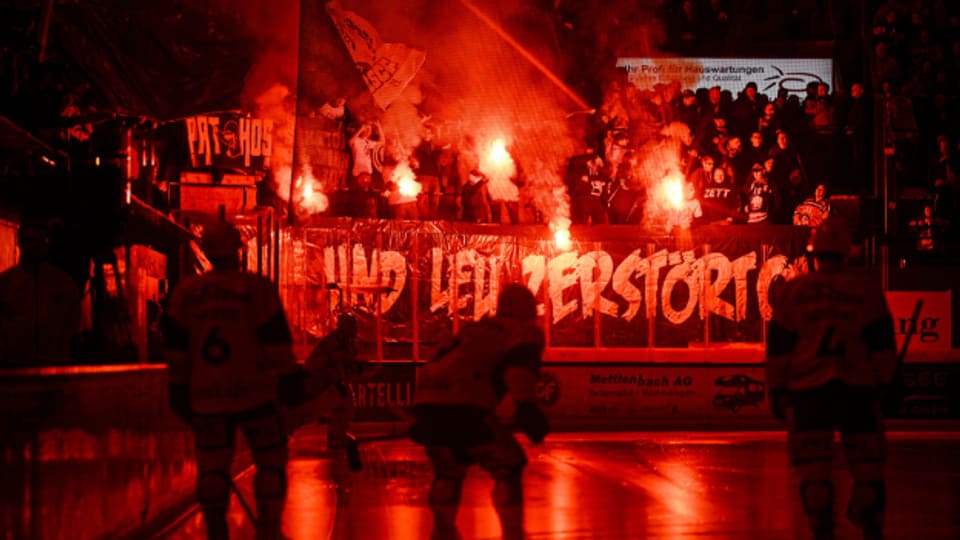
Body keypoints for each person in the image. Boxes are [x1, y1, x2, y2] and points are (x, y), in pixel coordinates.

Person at [162, 218, 303, 540]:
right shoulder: (256, 288)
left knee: (212, 468)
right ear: (238, 250)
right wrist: (290, 381)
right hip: (256, 393)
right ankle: (268, 526)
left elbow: (175, 348)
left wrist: (179, 389)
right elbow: (276, 343)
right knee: (270, 460)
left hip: (207, 395)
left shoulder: (186, 292)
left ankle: (215, 529)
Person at [766, 218, 899, 540]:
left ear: (814, 254)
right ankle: (870, 528)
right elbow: (881, 345)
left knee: (814, 477)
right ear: (847, 252)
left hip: (809, 392)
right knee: (868, 474)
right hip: (857, 390)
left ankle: (823, 532)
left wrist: (777, 391)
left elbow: (779, 350)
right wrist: (889, 383)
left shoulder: (793, 292)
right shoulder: (865, 289)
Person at [410, 284, 549, 540]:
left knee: (448, 470)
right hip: (465, 406)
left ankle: (442, 531)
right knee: (509, 465)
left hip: (427, 401)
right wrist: (527, 408)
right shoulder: (522, 331)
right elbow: (518, 371)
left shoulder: (474, 329)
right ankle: (512, 533)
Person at [0, 219, 81, 367]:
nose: (34, 246)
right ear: (21, 244)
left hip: (55, 364)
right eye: (30, 240)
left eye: (39, 240)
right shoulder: (5, 283)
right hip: (15, 366)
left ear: (47, 243)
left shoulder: (63, 283)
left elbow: (73, 320)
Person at [304, 312, 359, 449]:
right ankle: (336, 436)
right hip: (322, 377)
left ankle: (337, 435)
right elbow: (338, 360)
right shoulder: (339, 340)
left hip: (326, 377)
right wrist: (343, 380)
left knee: (344, 405)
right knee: (344, 405)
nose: (356, 328)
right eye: (353, 325)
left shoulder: (343, 339)